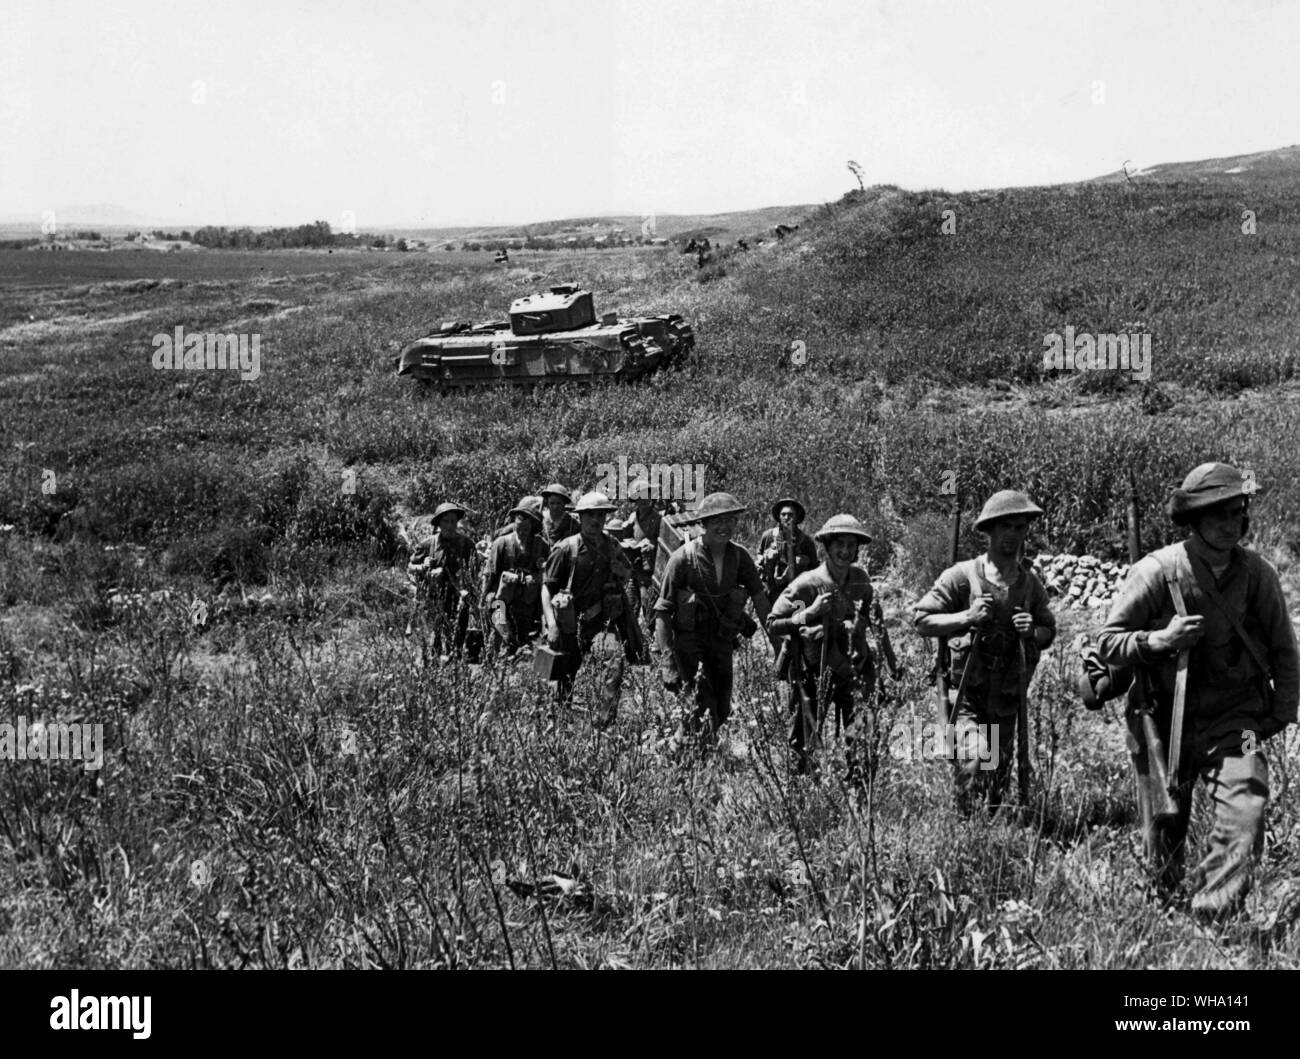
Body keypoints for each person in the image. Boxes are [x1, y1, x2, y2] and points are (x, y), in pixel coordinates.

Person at [1097, 462, 1298, 920]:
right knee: (1164, 826)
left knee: (1247, 803)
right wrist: (1158, 640)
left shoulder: (1258, 575)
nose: (1232, 525)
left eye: (1238, 514)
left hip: (1236, 721)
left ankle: (1214, 916)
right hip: (1161, 718)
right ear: (1195, 520)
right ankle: (1165, 913)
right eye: (1219, 515)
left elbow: (1286, 649)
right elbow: (1108, 641)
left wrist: (1278, 714)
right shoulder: (1157, 570)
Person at [913, 490, 1056, 813]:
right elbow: (922, 620)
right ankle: (963, 824)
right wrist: (967, 617)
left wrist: (1032, 630)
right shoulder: (962, 578)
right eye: (1005, 526)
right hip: (968, 698)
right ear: (989, 531)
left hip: (1006, 699)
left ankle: (989, 835)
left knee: (996, 784)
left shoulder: (1030, 585)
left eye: (1019, 527)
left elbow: (1049, 632)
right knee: (977, 756)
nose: (1012, 535)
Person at [654, 492, 771, 742]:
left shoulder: (740, 557)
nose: (724, 526)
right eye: (717, 520)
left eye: (730, 520)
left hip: (721, 642)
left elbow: (761, 601)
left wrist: (779, 643)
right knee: (700, 705)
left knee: (721, 708)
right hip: (689, 644)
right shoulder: (682, 559)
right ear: (703, 524)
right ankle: (693, 761)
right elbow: (662, 613)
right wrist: (667, 664)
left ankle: (681, 748)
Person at [768, 514, 876, 778]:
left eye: (851, 545)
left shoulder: (861, 581)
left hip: (851, 672)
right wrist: (810, 613)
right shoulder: (807, 585)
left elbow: (872, 618)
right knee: (802, 741)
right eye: (839, 544)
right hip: (816, 673)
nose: (845, 551)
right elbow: (774, 623)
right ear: (826, 547)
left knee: (862, 735)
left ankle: (860, 790)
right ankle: (800, 791)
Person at [541, 492, 634, 719]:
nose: (595, 521)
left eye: (600, 515)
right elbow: (546, 588)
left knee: (614, 661)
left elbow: (627, 573)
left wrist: (624, 572)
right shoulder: (566, 549)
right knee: (559, 677)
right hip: (567, 625)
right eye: (590, 515)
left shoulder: (612, 547)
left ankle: (603, 725)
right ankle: (557, 724)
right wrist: (551, 624)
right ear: (580, 518)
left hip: (600, 624)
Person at [407, 501, 477, 657]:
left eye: (453, 521)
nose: (450, 525)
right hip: (433, 599)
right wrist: (423, 567)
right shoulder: (427, 545)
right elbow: (410, 568)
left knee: (456, 642)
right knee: (432, 641)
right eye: (446, 521)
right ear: (439, 523)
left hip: (458, 600)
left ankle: (454, 668)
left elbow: (474, 574)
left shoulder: (467, 545)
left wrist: (466, 590)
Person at [482, 496, 549, 655]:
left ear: (534, 524)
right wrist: (484, 597)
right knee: (502, 633)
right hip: (501, 597)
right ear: (515, 520)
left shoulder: (541, 545)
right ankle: (498, 656)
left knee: (522, 639)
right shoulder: (502, 543)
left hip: (526, 601)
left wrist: (540, 571)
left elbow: (549, 574)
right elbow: (489, 573)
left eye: (529, 520)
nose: (524, 524)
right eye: (521, 518)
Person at [756, 497, 819, 604]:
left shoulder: (805, 541)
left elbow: (815, 568)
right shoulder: (769, 536)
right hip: (772, 587)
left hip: (797, 590)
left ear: (796, 517)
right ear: (779, 517)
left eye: (790, 515)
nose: (786, 518)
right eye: (783, 514)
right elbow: (759, 554)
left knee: (798, 620)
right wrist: (763, 561)